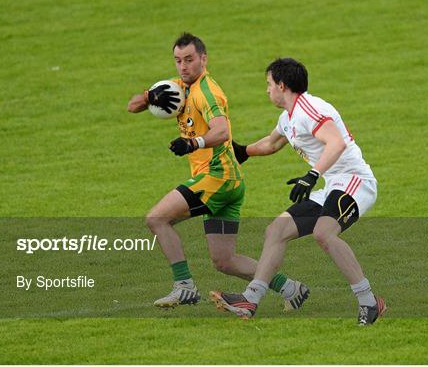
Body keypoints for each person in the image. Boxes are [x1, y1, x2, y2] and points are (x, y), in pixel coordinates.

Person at [127, 34, 309, 310]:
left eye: (189, 60)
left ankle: (184, 287)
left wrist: (193, 142)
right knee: (225, 260)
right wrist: (150, 96)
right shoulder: (177, 87)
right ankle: (290, 288)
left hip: (217, 177)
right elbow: (132, 107)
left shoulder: (207, 92)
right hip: (228, 181)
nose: (183, 66)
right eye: (178, 61)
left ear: (203, 58)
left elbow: (222, 130)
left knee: (157, 219)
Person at [210, 58, 386, 325]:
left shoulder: (310, 109)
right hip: (332, 185)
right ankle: (251, 299)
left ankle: (369, 302)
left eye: (269, 84)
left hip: (354, 181)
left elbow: (336, 143)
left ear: (282, 85)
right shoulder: (288, 118)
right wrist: (242, 151)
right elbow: (271, 143)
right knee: (276, 230)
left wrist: (312, 175)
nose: (267, 90)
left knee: (324, 233)